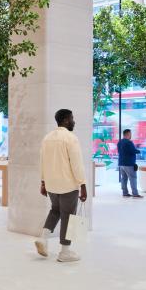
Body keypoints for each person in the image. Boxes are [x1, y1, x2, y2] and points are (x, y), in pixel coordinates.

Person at [34, 109, 87, 263]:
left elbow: (42, 161)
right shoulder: (70, 138)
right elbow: (77, 164)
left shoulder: (47, 138)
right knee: (68, 216)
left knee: (55, 210)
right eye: (72, 118)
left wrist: (43, 182)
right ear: (65, 120)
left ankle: (43, 239)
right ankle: (65, 251)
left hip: (51, 184)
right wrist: (82, 184)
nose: (74, 121)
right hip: (68, 184)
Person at [116, 129, 142, 198]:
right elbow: (132, 151)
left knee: (124, 179)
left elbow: (120, 151)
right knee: (133, 178)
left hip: (121, 163)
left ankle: (125, 193)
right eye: (130, 134)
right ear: (128, 134)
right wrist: (138, 151)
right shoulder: (129, 142)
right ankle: (135, 194)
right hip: (129, 163)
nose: (131, 135)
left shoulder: (120, 142)